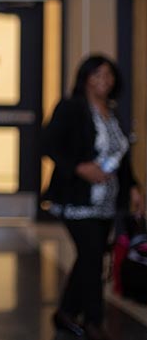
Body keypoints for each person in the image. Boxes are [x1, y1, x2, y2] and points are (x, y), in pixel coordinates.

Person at [42, 54, 145, 340]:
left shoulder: (112, 112)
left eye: (109, 75)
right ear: (85, 77)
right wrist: (79, 167)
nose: (104, 80)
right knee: (91, 257)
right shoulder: (71, 108)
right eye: (97, 74)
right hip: (76, 201)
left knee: (90, 257)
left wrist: (134, 187)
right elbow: (48, 144)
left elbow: (122, 158)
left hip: (107, 203)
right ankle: (93, 322)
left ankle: (64, 313)